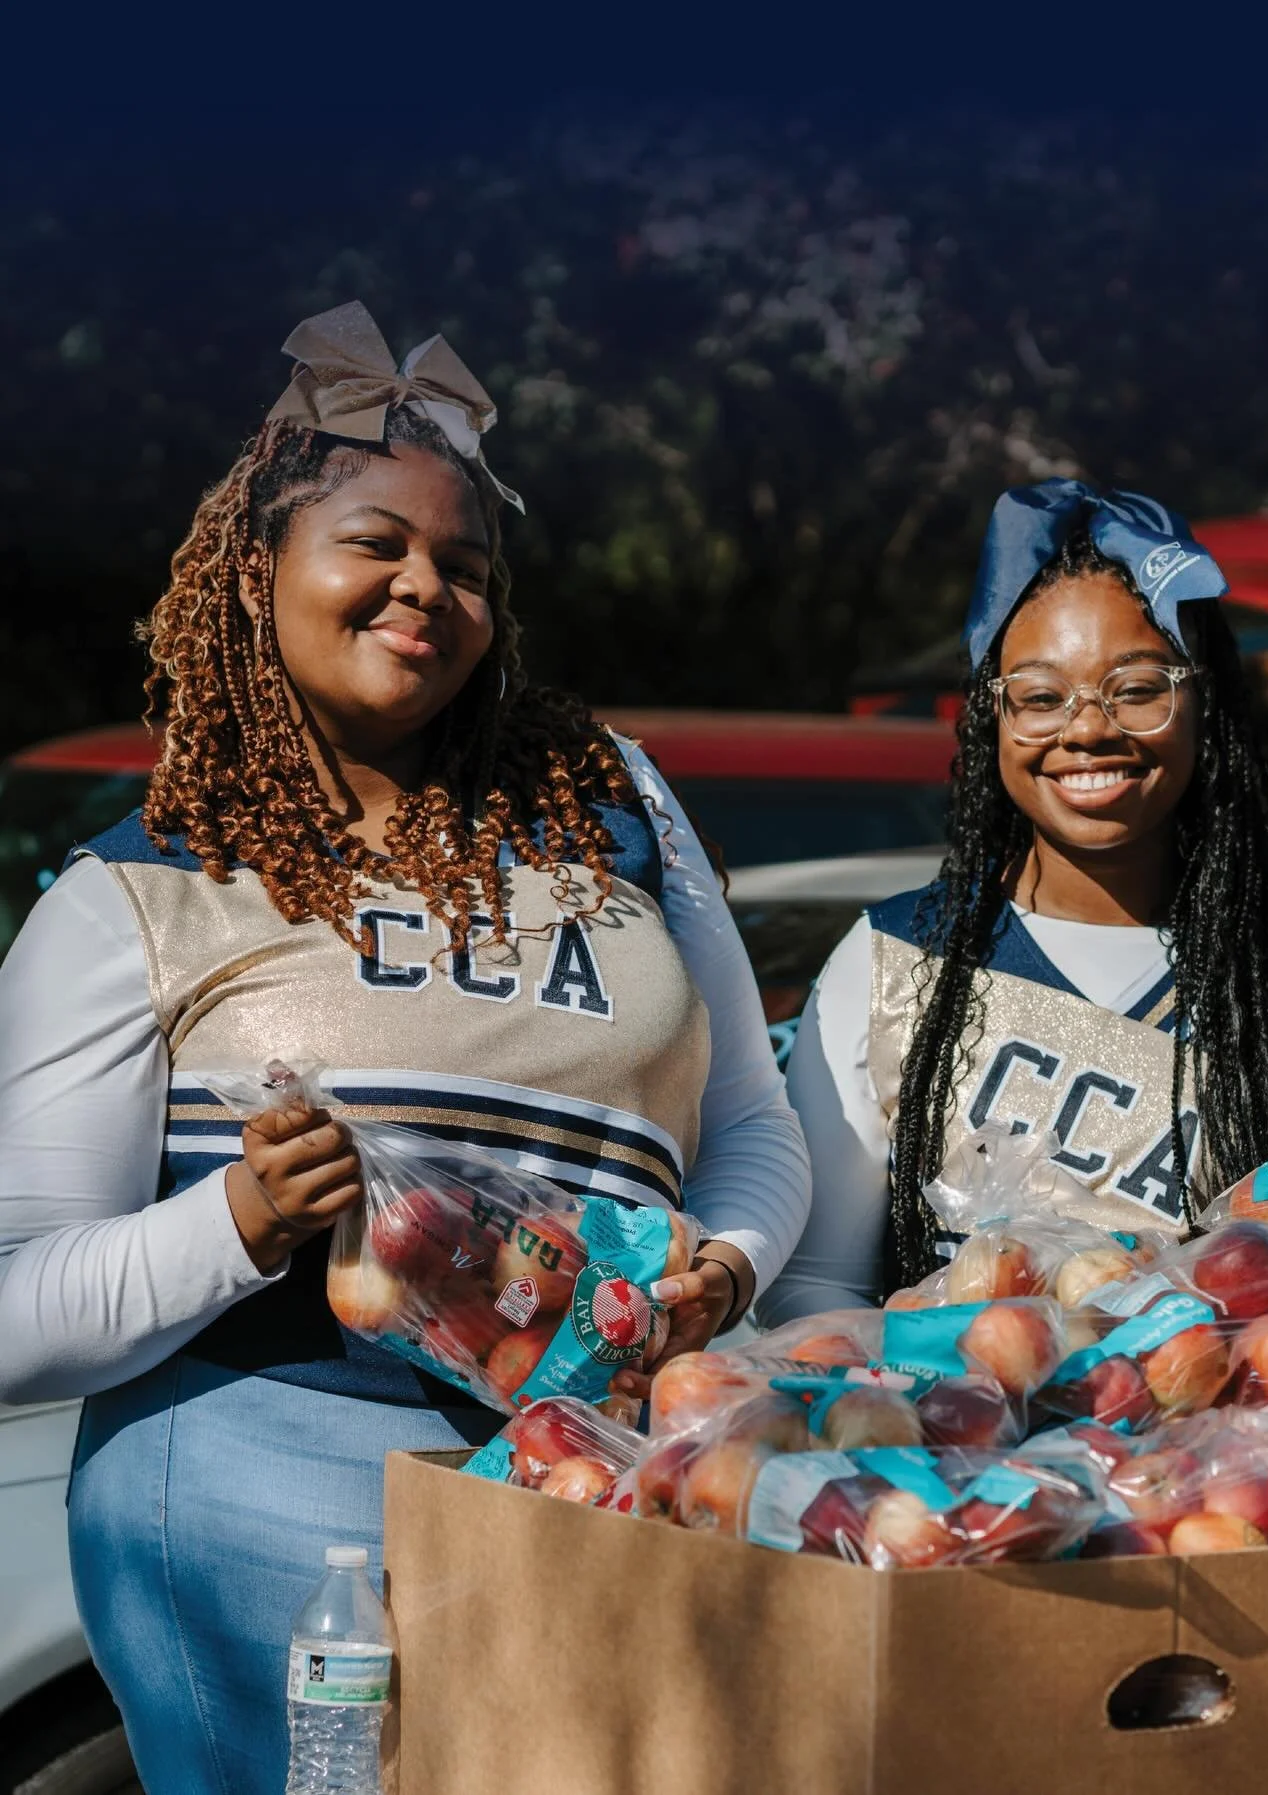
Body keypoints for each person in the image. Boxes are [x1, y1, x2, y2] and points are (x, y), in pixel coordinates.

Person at [0, 302, 811, 1794]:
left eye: (467, 567)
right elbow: (14, 1317)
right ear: (258, 574)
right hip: (269, 1493)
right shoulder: (139, 889)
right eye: (374, 544)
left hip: (596, 1484)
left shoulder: (611, 809)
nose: (423, 588)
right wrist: (238, 1222)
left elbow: (754, 1119)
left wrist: (733, 1261)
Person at [763, 479, 1268, 1320]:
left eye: (1138, 688)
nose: (1086, 729)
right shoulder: (895, 960)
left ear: (1201, 704)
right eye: (1039, 697)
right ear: (990, 721)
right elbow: (814, 1289)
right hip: (951, 1444)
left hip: (1218, 1449)